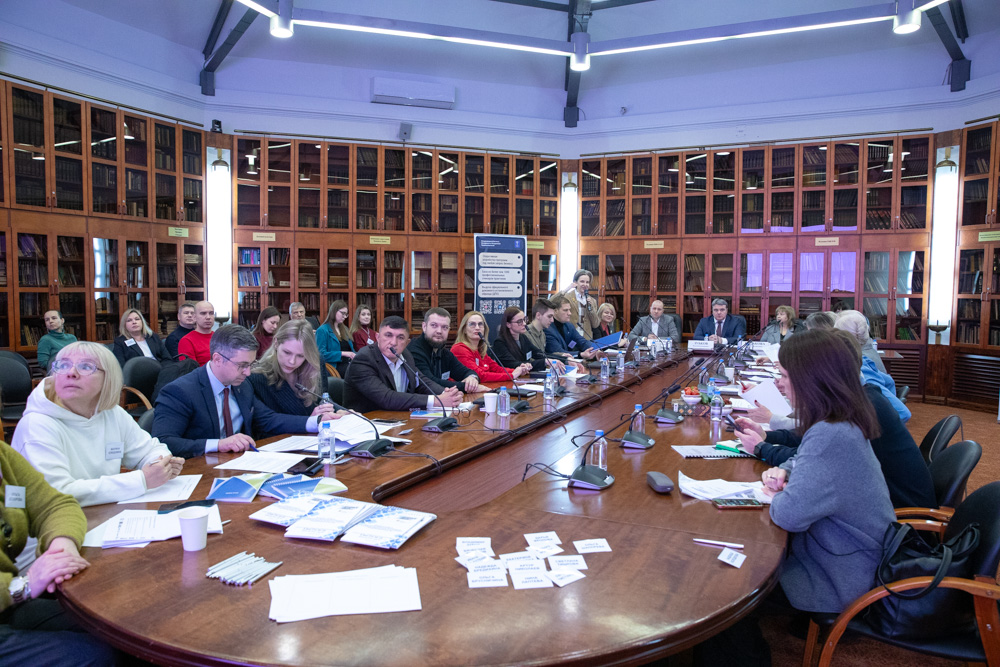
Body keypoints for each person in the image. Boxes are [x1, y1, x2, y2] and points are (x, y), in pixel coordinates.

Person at [758, 329, 894, 613]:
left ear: (809, 380)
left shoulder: (830, 434)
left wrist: (777, 495)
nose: (781, 385)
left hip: (840, 576)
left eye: (785, 376)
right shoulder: (841, 419)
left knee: (737, 582)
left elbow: (789, 515)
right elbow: (805, 459)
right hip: (845, 555)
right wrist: (785, 472)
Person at [734, 331, 933, 509]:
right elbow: (807, 442)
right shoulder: (854, 399)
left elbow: (813, 456)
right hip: (870, 508)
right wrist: (767, 437)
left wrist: (763, 449)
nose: (782, 383)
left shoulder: (860, 409)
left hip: (899, 515)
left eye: (787, 376)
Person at [12, 342, 184, 506]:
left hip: (103, 511)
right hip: (49, 522)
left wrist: (160, 465)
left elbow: (150, 450)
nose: (71, 373)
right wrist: (141, 480)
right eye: (63, 365)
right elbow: (55, 493)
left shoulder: (111, 413)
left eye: (86, 367)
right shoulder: (36, 424)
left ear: (108, 379)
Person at [0, 442, 117, 666]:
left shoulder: (3, 455)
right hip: (12, 595)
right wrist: (20, 587)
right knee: (94, 656)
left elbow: (55, 505)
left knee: (113, 627)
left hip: (9, 606)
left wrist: (62, 547)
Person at [153, 324, 336, 458]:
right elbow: (163, 441)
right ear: (217, 359)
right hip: (199, 471)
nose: (248, 372)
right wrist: (219, 444)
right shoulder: (180, 391)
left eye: (250, 364)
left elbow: (268, 420)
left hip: (241, 464)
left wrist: (318, 421)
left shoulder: (241, 385)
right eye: (242, 365)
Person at [345, 316, 462, 413]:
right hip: (368, 423)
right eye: (388, 335)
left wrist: (447, 394)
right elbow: (387, 398)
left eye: (400, 337)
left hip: (397, 419)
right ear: (377, 337)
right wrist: (436, 401)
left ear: (407, 343)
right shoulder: (364, 359)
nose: (393, 342)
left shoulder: (405, 354)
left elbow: (421, 381)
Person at [247, 320, 340, 434]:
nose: (292, 361)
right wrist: (311, 421)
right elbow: (266, 423)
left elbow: (323, 399)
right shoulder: (256, 377)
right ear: (276, 343)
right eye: (287, 352)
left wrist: (340, 412)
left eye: (301, 356)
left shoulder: (313, 365)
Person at [408, 308, 481, 392]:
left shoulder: (444, 352)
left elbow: (465, 372)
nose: (439, 331)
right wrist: (466, 387)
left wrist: (472, 378)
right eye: (434, 325)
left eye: (444, 327)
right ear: (424, 327)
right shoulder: (414, 351)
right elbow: (430, 383)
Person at [450, 311, 532, 382]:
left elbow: (496, 369)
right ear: (464, 329)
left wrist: (518, 370)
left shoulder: (479, 350)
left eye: (480, 324)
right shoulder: (459, 349)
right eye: (472, 324)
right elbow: (480, 375)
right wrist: (512, 375)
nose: (477, 328)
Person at [493, 306, 568, 374]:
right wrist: (545, 362)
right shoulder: (500, 343)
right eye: (519, 321)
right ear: (508, 324)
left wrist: (564, 359)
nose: (524, 323)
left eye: (524, 319)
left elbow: (538, 353)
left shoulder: (523, 337)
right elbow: (514, 364)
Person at [556, 269, 601, 339]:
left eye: (587, 282)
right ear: (575, 282)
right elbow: (551, 302)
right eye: (582, 281)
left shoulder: (592, 301)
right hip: (570, 337)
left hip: (586, 339)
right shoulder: (567, 297)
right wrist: (567, 289)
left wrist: (591, 308)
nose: (585, 284)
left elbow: (595, 324)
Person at [316, 300, 356, 377]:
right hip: (334, 367)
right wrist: (343, 353)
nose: (344, 317)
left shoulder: (345, 329)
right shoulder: (322, 330)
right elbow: (321, 355)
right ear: (334, 311)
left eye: (346, 314)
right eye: (342, 313)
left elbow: (352, 351)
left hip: (349, 364)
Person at [177, 300, 217, 366]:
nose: (208, 317)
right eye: (203, 313)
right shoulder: (187, 341)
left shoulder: (220, 337)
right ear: (194, 317)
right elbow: (190, 369)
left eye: (211, 313)